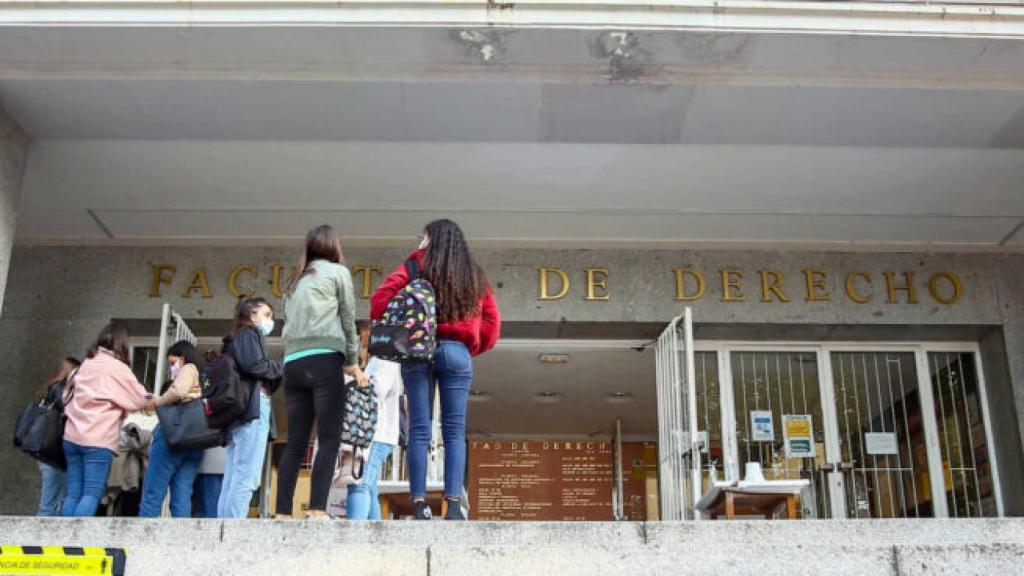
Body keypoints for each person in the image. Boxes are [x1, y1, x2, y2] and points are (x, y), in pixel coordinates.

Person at [371, 219, 501, 520]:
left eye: (423, 236)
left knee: (419, 428)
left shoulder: (415, 265)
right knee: (454, 430)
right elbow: (493, 323)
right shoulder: (474, 273)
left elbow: (380, 301)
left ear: (429, 238)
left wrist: (404, 326)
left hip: (418, 350)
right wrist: (470, 347)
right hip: (457, 351)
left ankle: (418, 504)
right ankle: (453, 505)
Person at [276, 224, 367, 520]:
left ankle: (282, 512)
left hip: (292, 362)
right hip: (325, 359)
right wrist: (353, 361)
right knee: (328, 438)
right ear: (334, 247)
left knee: (296, 441)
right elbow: (348, 317)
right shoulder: (338, 273)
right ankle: (316, 509)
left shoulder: (294, 280)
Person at [61, 324, 151, 517]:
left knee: (73, 493)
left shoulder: (85, 365)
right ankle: (77, 541)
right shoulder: (117, 368)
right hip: (98, 439)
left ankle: (61, 539)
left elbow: (64, 397)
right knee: (92, 493)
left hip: (71, 437)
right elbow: (140, 398)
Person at [218, 296, 284, 518]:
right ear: (252, 314)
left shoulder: (234, 339)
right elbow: (255, 365)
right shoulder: (249, 334)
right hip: (252, 409)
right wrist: (282, 367)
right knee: (246, 476)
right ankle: (233, 529)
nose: (269, 321)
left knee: (234, 476)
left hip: (238, 412)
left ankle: (224, 527)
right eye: (266, 315)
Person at [138, 341, 206, 517]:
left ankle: (143, 538)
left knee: (153, 493)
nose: (172, 368)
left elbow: (178, 391)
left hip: (172, 435)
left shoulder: (189, 368)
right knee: (182, 495)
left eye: (172, 363)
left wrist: (157, 401)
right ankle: (179, 539)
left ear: (182, 358)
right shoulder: (203, 377)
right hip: (195, 441)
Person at [346, 321, 402, 520]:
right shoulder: (372, 362)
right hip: (368, 432)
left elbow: (377, 389)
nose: (360, 342)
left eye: (360, 336)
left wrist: (354, 374)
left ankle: (355, 537)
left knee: (358, 482)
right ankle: (377, 539)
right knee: (368, 485)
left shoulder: (385, 360)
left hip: (377, 433)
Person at [35, 357, 80, 516]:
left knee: (54, 501)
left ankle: (45, 538)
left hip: (50, 452)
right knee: (51, 503)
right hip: (54, 453)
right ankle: (38, 539)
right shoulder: (59, 389)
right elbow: (70, 411)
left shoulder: (50, 389)